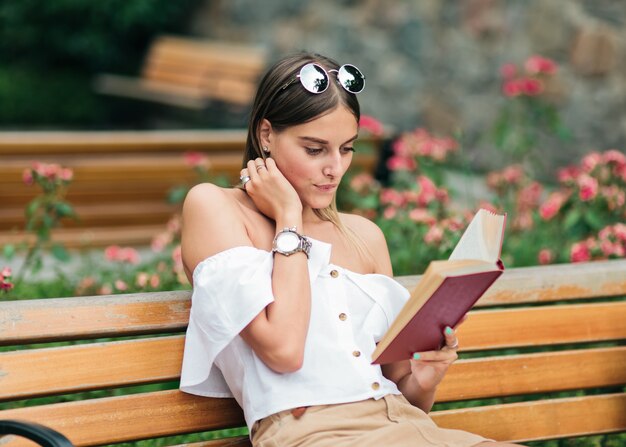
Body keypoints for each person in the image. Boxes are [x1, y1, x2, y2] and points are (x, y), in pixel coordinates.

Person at [179, 52, 525, 447]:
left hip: (406, 427)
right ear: (266, 135)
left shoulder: (365, 237)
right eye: (315, 149)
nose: (335, 168)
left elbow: (404, 393)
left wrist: (427, 376)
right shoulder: (215, 208)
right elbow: (284, 350)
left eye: (347, 149)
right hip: (314, 434)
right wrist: (289, 220)